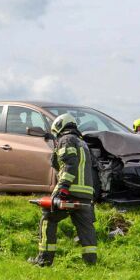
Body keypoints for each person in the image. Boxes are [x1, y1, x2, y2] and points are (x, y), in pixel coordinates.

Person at [29, 114, 98, 267]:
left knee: (48, 218)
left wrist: (62, 189)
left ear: (59, 126)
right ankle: (91, 263)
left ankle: (44, 260)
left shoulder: (66, 140)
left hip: (70, 191)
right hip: (86, 194)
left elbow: (69, 164)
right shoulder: (83, 143)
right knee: (86, 228)